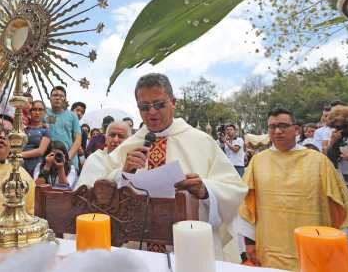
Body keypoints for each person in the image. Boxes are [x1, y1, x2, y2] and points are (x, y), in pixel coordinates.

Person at [103, 73, 247, 261]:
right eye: (144, 107)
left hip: (190, 248)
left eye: (159, 104)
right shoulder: (128, 145)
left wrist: (206, 190)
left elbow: (235, 189)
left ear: (173, 102)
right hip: (138, 246)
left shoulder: (201, 141)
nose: (152, 112)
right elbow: (101, 192)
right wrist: (123, 173)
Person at [238, 107, 348, 271]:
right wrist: (249, 243)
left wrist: (342, 245)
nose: (278, 131)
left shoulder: (318, 161)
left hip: (314, 246)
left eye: (283, 126)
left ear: (296, 129)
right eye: (272, 127)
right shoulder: (257, 162)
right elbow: (247, 206)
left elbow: (338, 204)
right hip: (271, 248)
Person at [75, 121, 131, 188]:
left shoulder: (134, 161)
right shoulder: (95, 158)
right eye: (112, 135)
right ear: (106, 139)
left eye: (121, 136)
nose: (116, 140)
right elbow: (83, 190)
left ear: (128, 140)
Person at [45, 86, 81, 171]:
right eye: (55, 95)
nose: (58, 98)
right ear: (50, 98)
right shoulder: (44, 112)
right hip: (47, 161)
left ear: (65, 99)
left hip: (69, 162)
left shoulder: (72, 116)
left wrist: (67, 158)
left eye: (61, 96)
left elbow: (78, 140)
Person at [22, 100, 50, 175]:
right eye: (34, 109)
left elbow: (41, 151)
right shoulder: (23, 129)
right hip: (20, 166)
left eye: (40, 110)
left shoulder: (45, 131)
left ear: (44, 113)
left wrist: (18, 155)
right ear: (30, 112)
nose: (37, 112)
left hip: (36, 168)